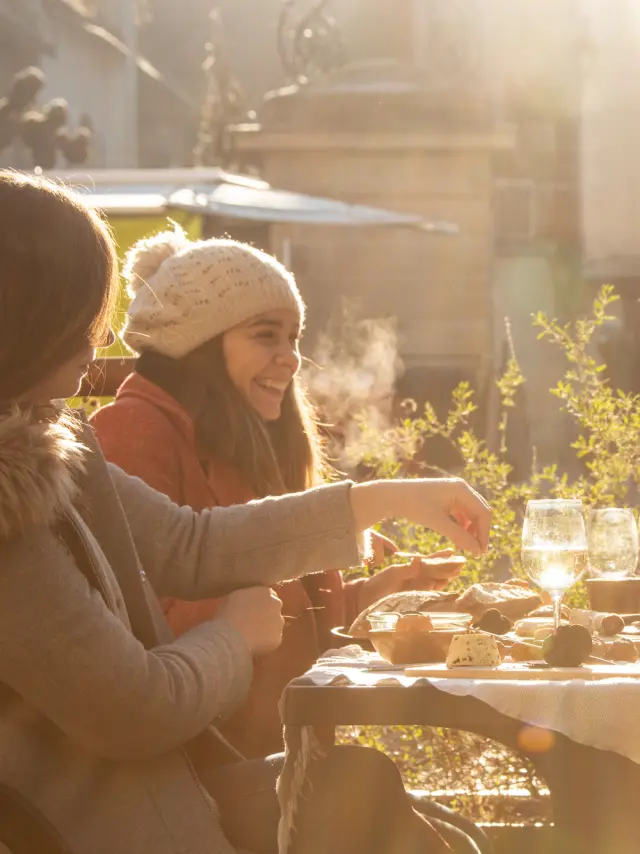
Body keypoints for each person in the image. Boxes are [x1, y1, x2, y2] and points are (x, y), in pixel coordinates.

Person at [0, 170, 491, 854]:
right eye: (84, 310)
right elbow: (133, 710)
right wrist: (236, 634)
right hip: (105, 828)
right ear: (28, 314)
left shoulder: (55, 440)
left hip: (170, 792)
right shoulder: (13, 512)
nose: (104, 334)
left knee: (369, 790)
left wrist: (390, 500)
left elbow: (189, 544)